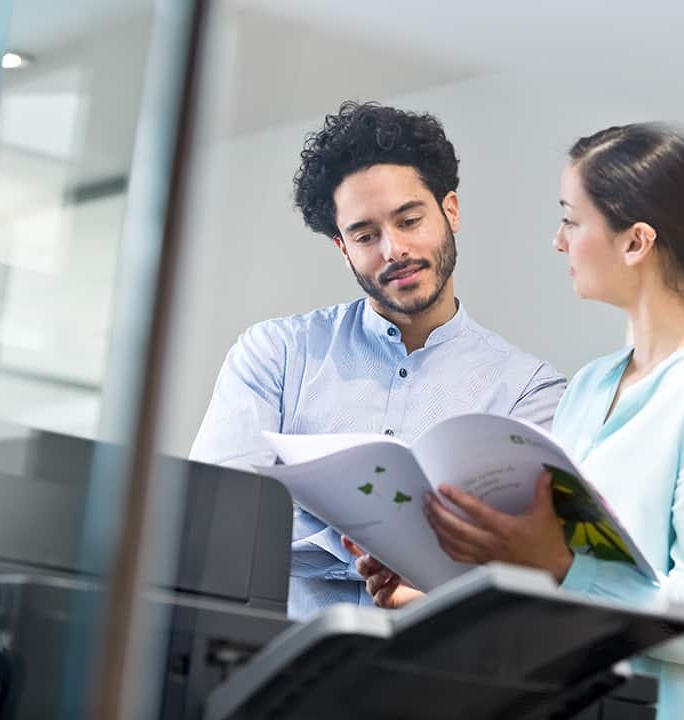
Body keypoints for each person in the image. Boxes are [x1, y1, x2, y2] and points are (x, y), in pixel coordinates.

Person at [353, 122, 684, 720]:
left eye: (571, 220)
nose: (559, 241)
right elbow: (564, 582)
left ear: (635, 242)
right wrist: (438, 585)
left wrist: (558, 563)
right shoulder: (589, 386)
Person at [189, 101, 566, 619]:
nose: (394, 250)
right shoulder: (276, 353)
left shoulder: (531, 390)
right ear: (342, 247)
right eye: (366, 235)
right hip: (271, 645)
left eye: (410, 219)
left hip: (437, 660)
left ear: (450, 210)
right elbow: (217, 517)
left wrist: (444, 581)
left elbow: (529, 564)